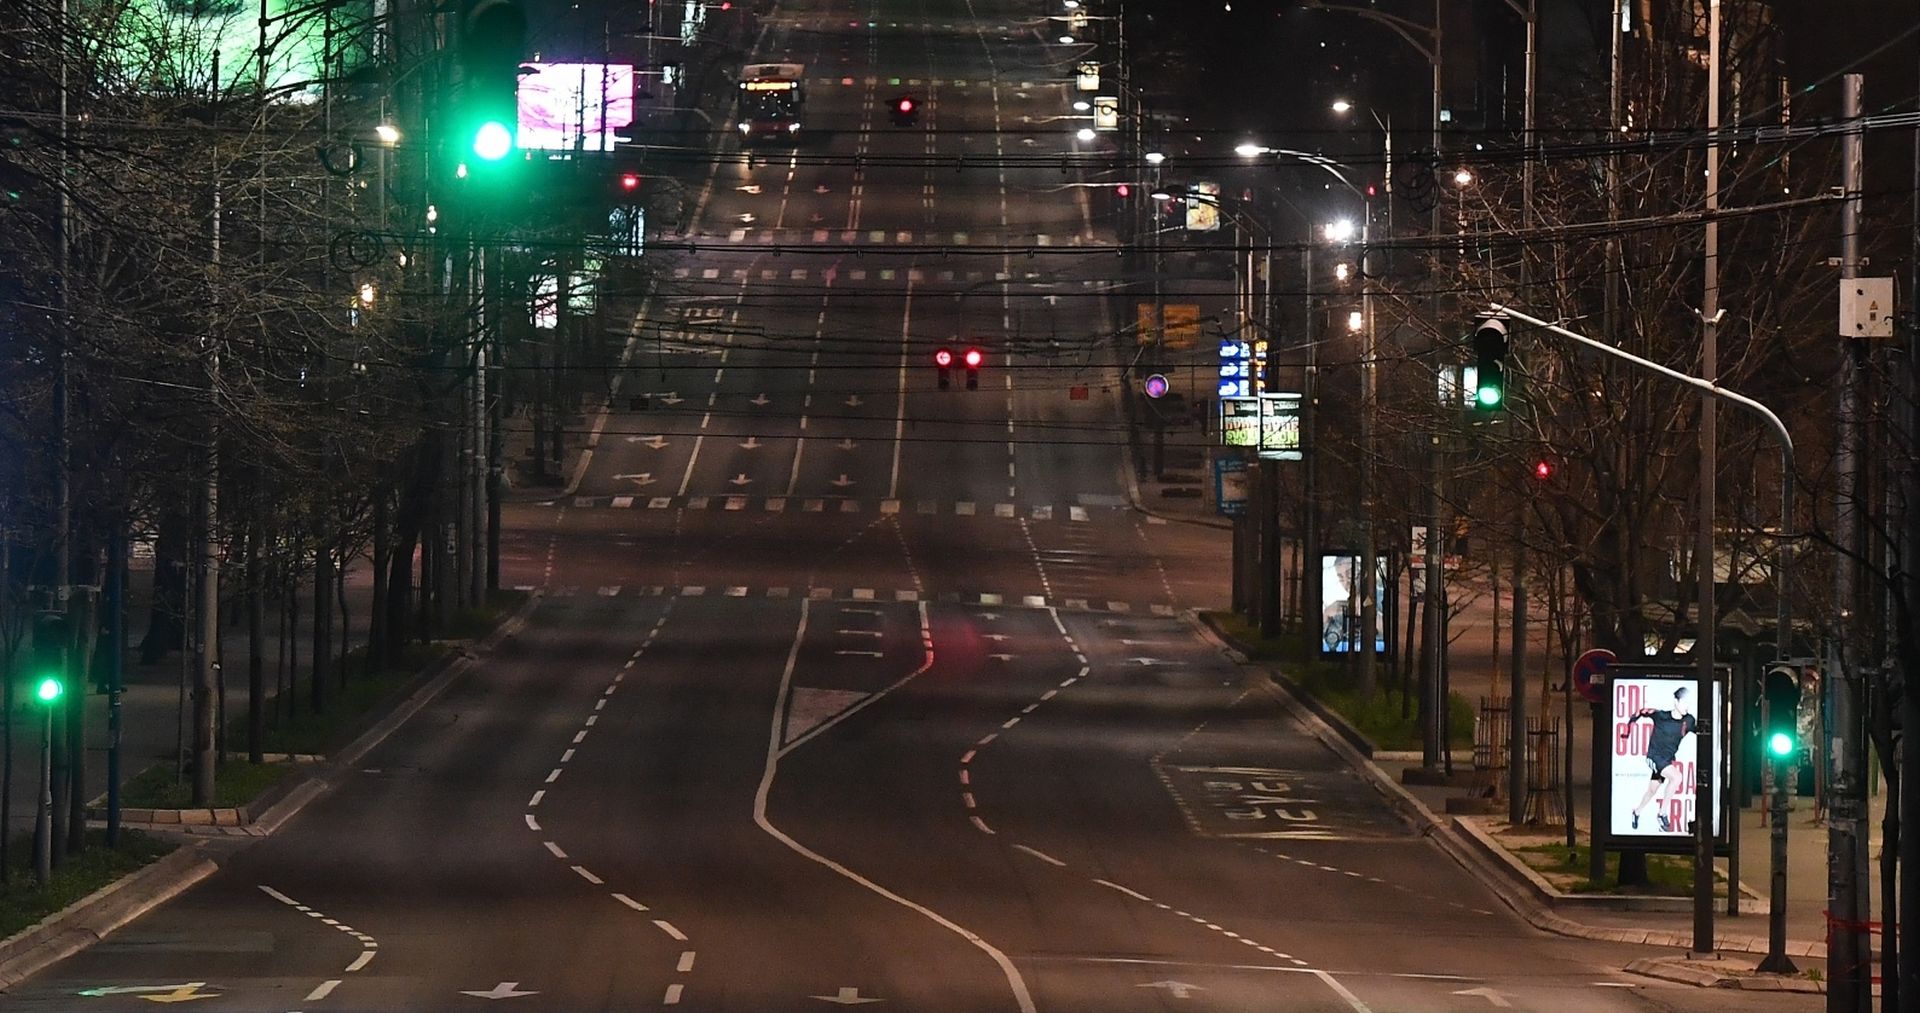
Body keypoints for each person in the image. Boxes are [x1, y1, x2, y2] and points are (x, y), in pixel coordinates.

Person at [1625, 686, 1698, 833]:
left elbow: (1700, 730)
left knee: (1652, 790)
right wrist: (1628, 731)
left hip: (1667, 759)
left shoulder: (1688, 720)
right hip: (1654, 757)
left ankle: (1637, 812)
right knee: (1676, 777)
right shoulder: (1661, 716)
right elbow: (1640, 712)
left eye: (1688, 703)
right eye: (1684, 702)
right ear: (1676, 702)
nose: (1686, 706)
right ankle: (1662, 814)